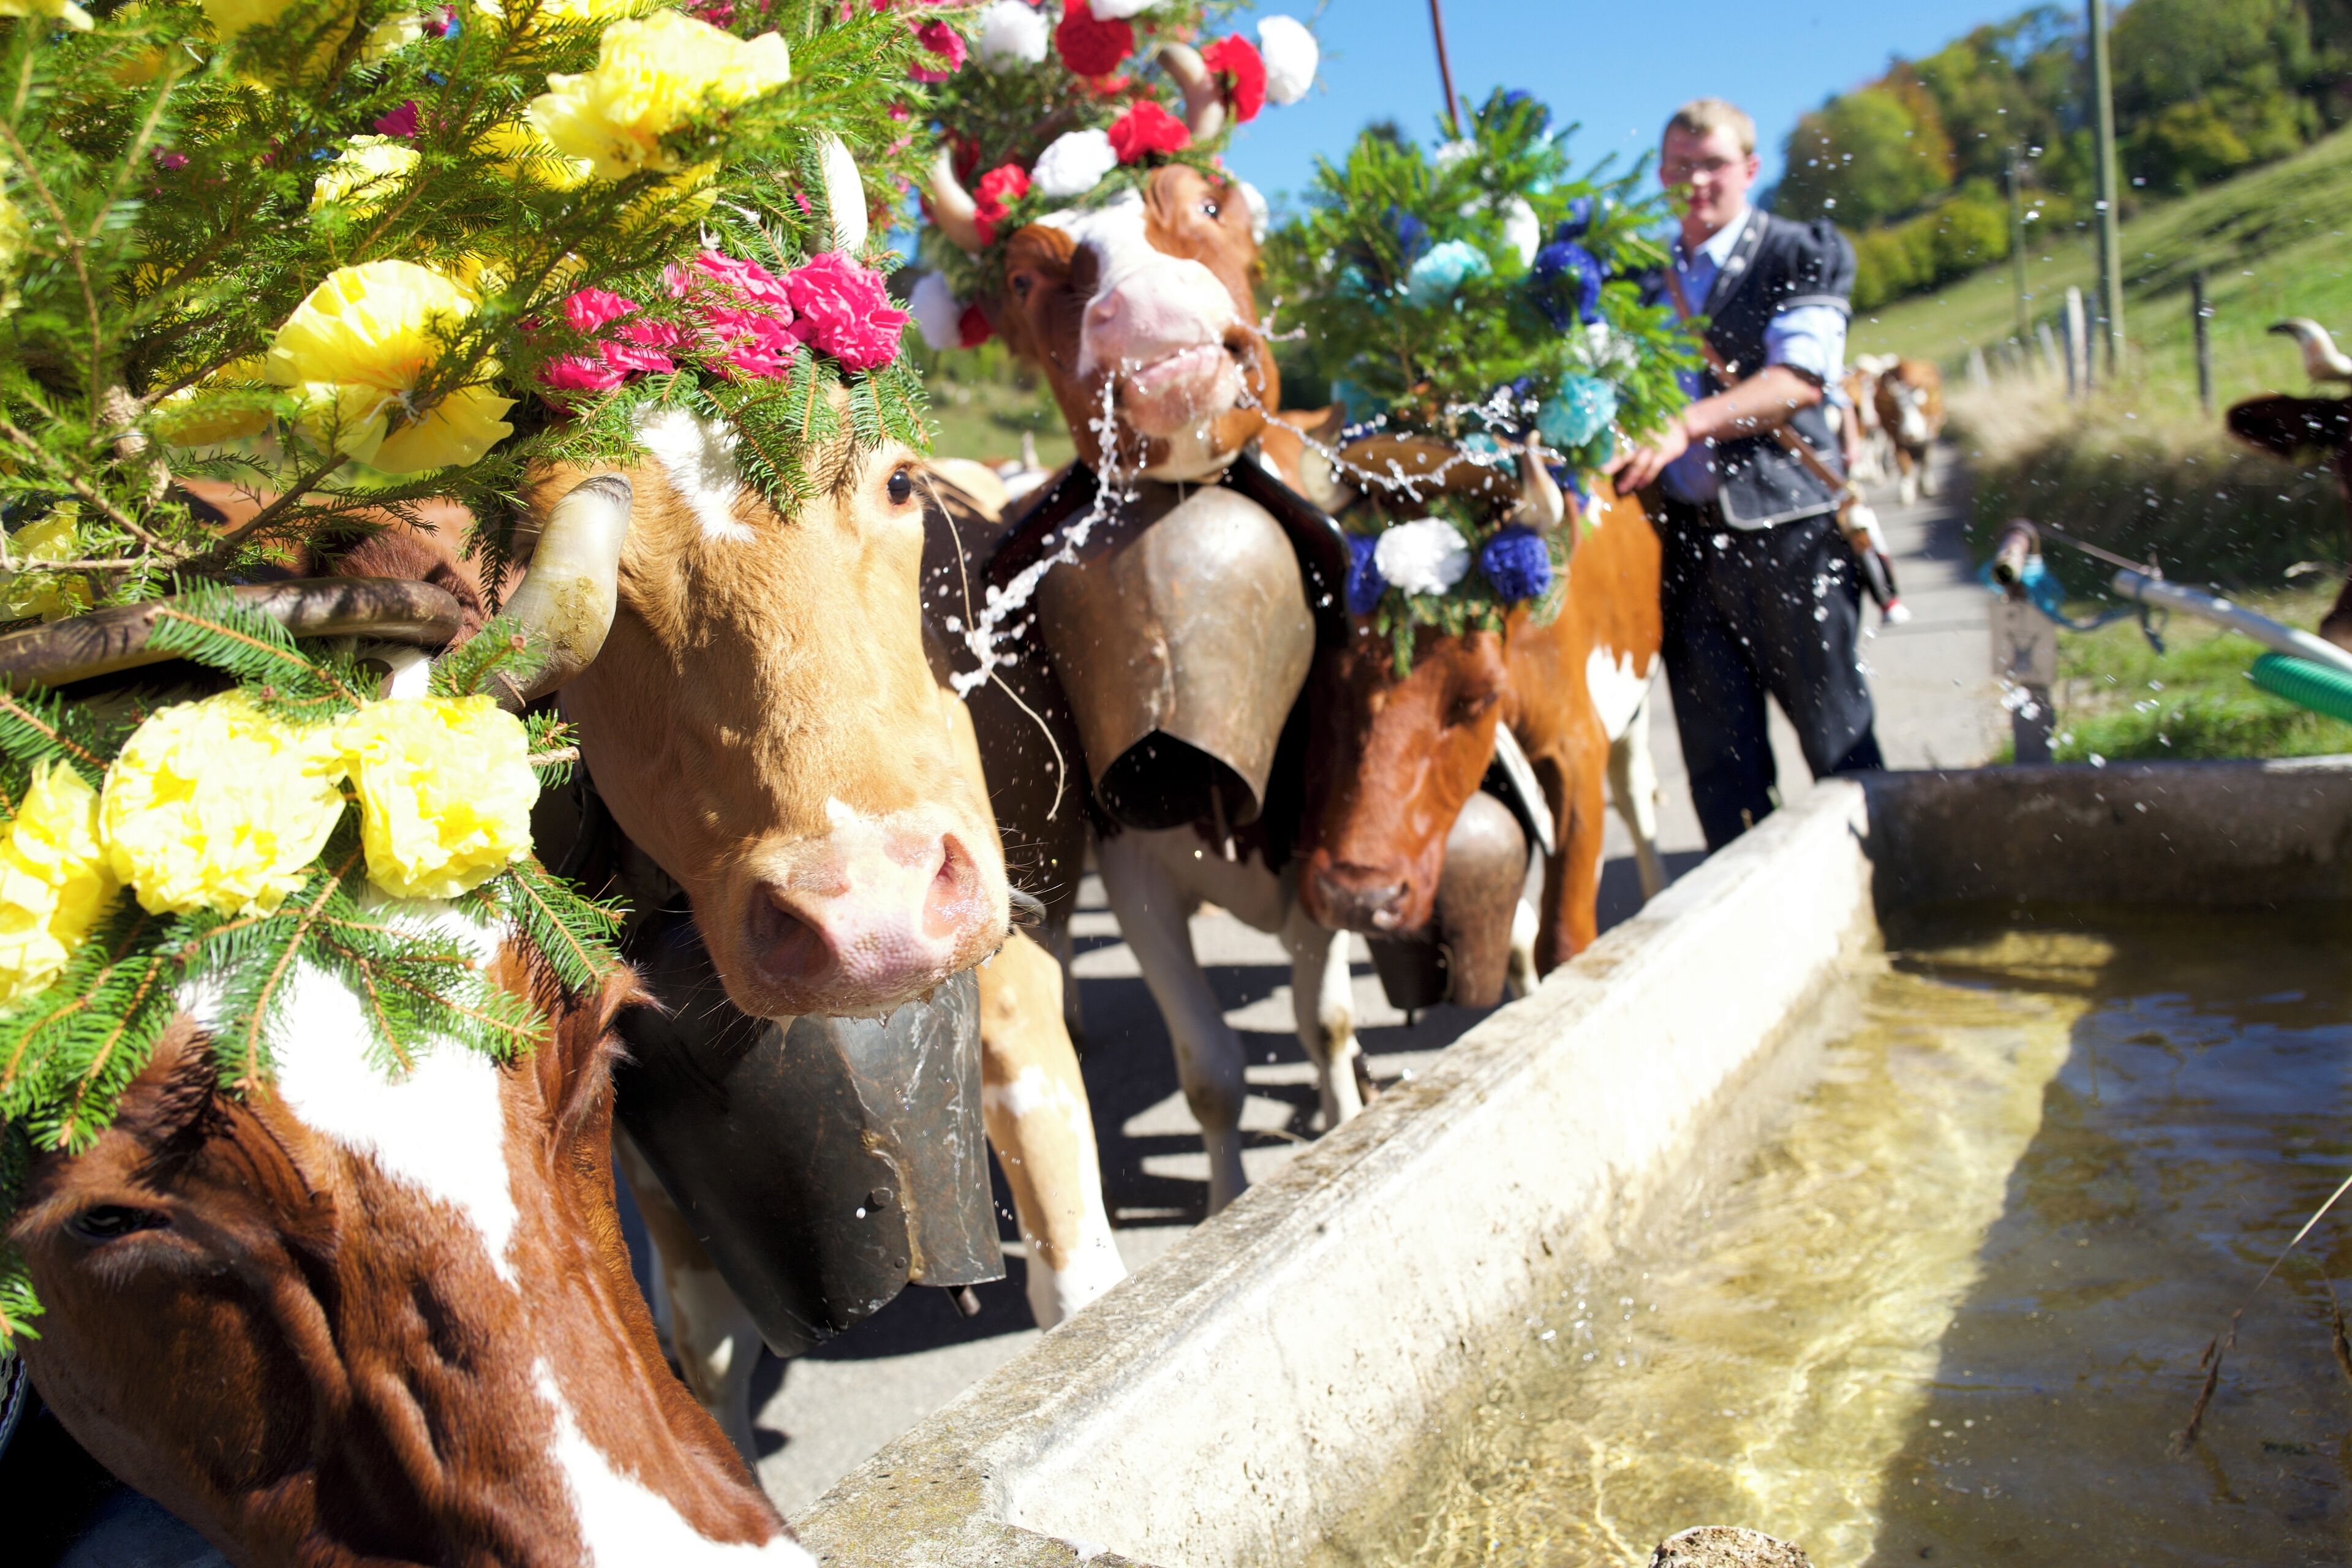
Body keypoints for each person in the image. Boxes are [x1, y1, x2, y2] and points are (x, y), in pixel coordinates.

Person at [1607, 97, 1885, 852]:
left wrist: (1686, 423)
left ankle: (1885, 896)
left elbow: (1798, 379)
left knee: (1839, 745)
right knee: (1719, 772)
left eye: (1713, 165)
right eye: (1678, 167)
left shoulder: (1799, 251)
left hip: (1789, 535)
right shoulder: (1634, 278)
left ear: (1750, 170)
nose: (1695, 182)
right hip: (1683, 550)